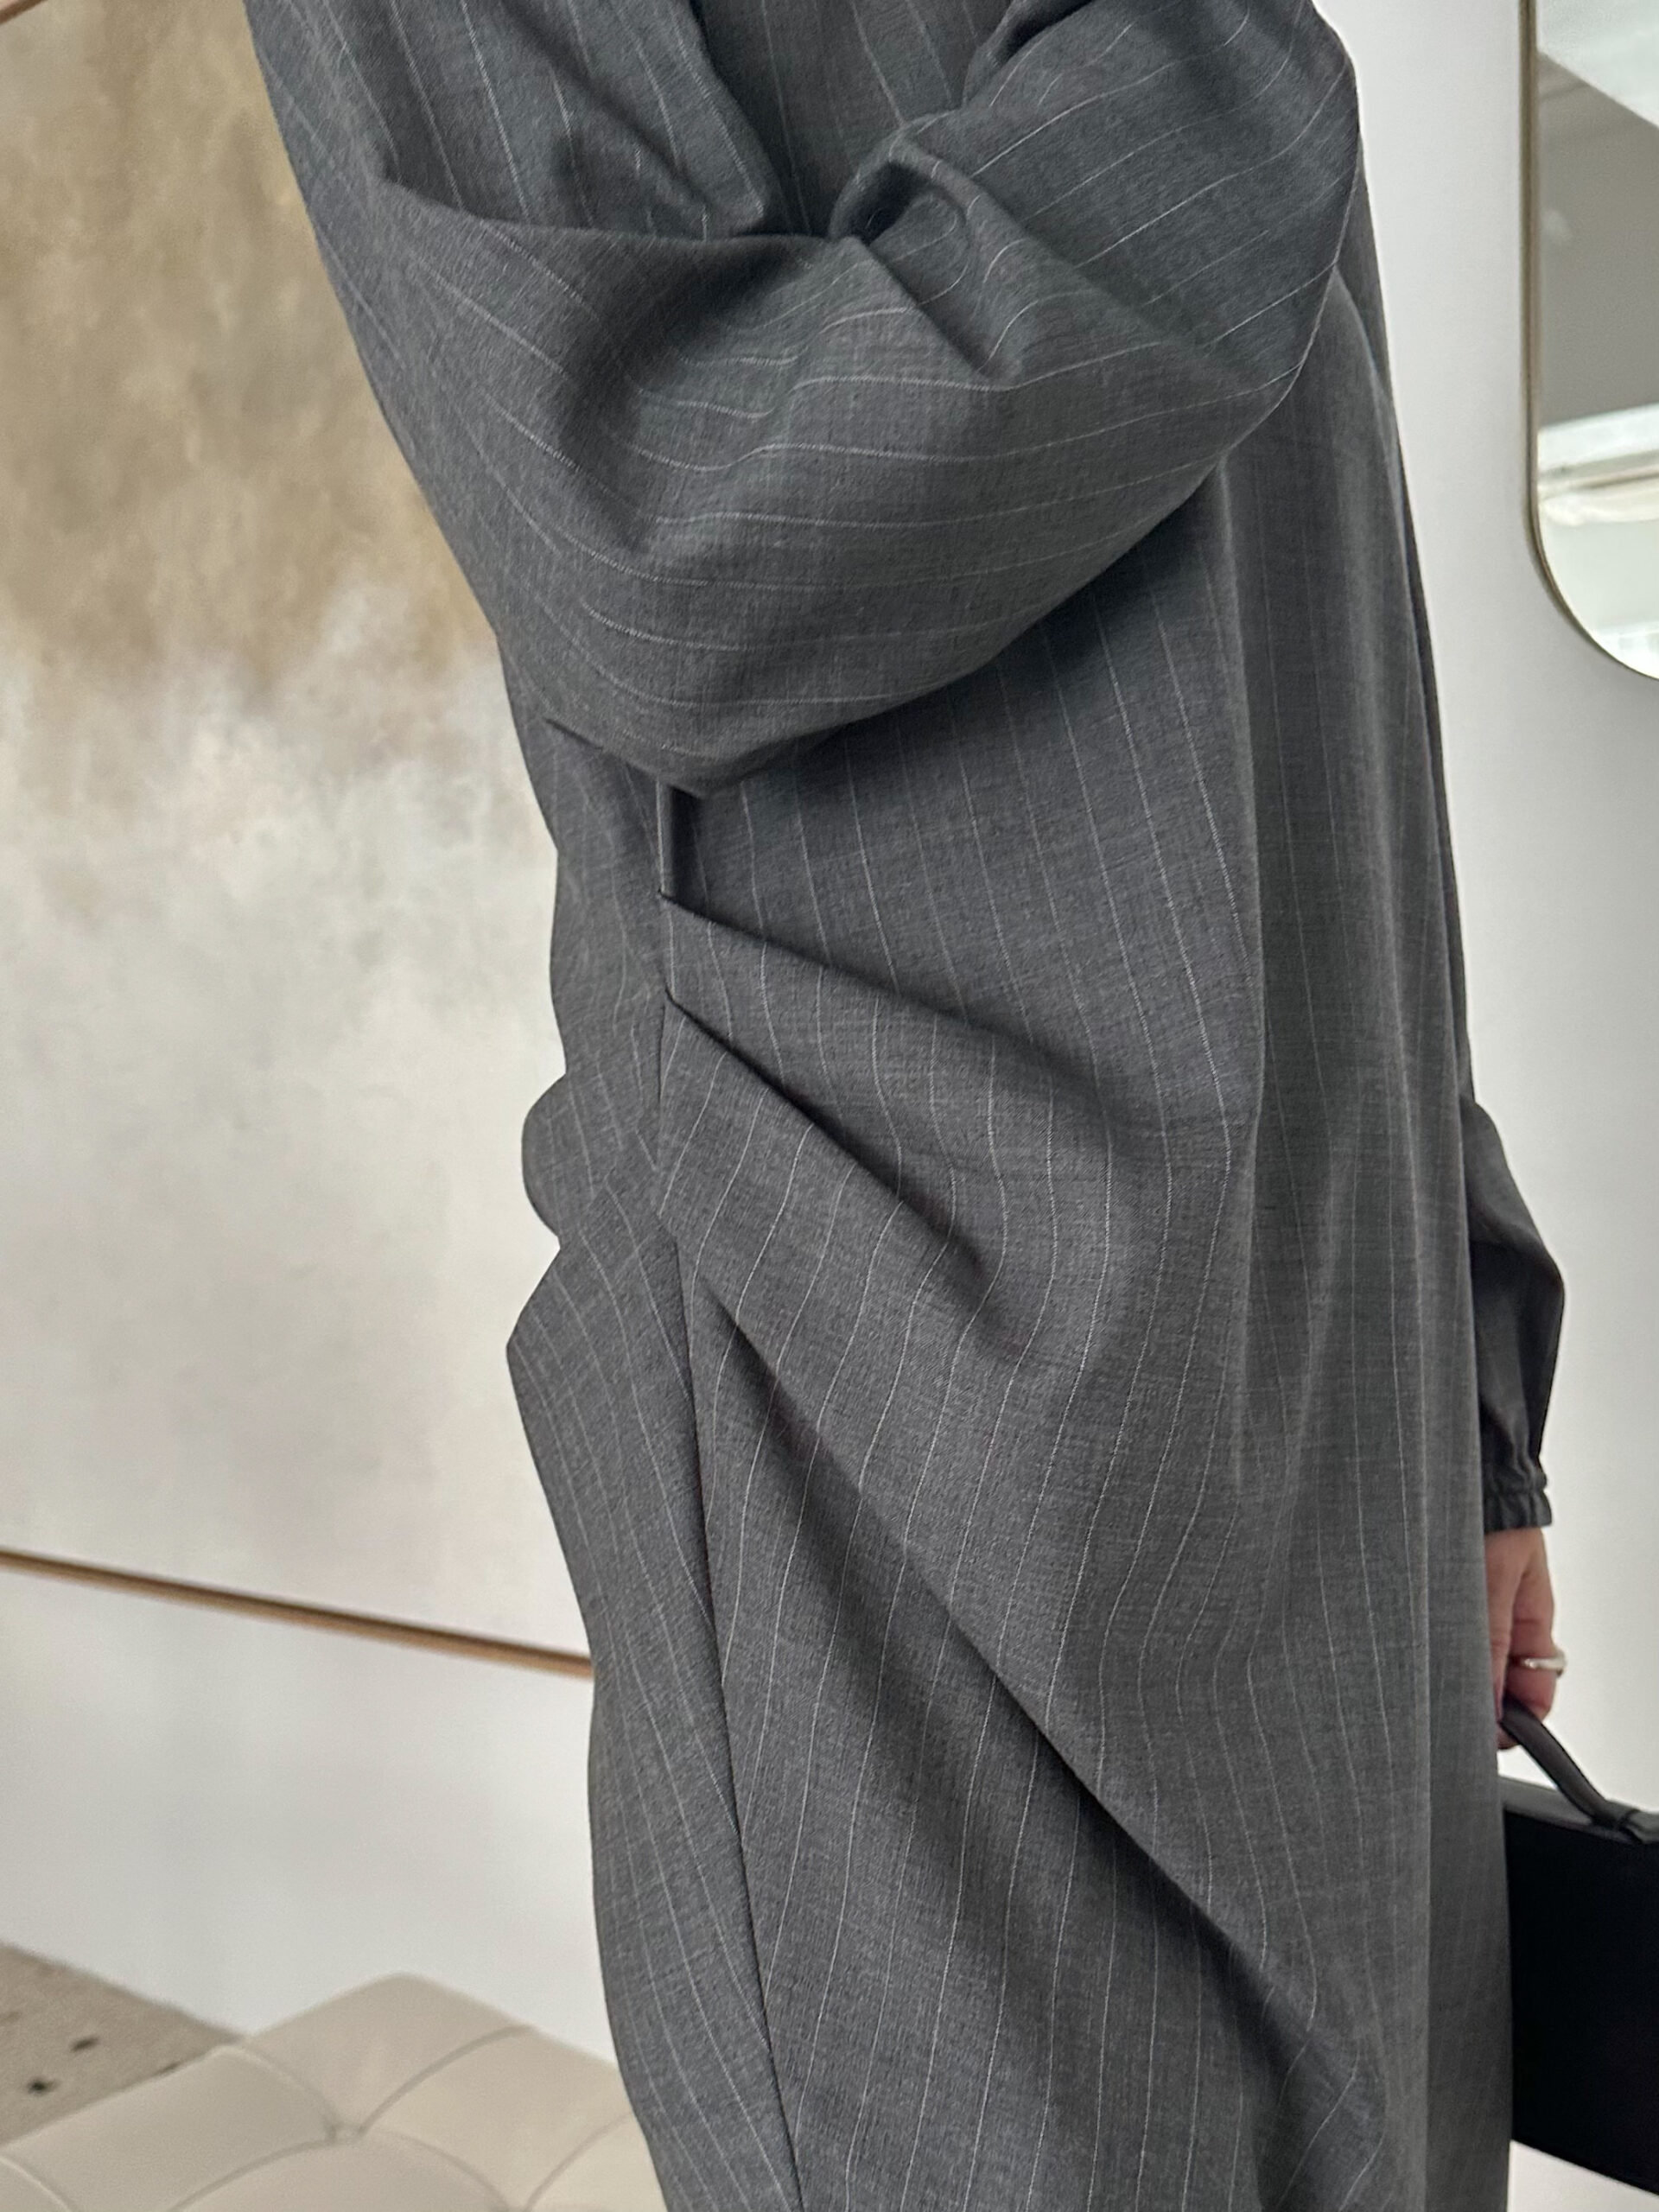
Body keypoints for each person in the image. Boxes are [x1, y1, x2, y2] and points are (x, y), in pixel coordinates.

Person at [237, 0, 1567, 2203]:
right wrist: (1219, 62)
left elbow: (1332, 710)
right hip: (894, 1437)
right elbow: (654, 532)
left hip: (1337, 1435)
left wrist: (1476, 1392)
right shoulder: (1207, 49)